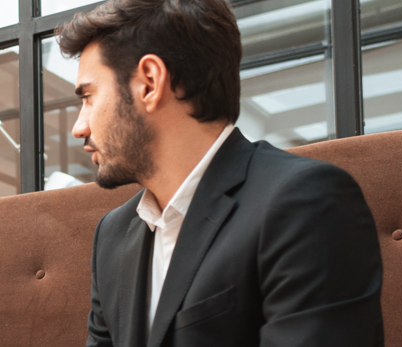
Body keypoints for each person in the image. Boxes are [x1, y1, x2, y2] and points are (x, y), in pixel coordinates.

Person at [57, 0, 384, 345]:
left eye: (89, 97)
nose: (79, 127)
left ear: (149, 83)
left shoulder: (305, 201)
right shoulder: (112, 235)